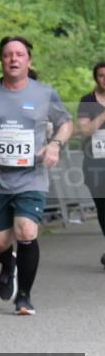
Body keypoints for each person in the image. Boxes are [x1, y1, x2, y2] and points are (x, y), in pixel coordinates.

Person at [0, 37, 73, 315]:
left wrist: (55, 145)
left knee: (26, 230)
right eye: (8, 54)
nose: (14, 59)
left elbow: (66, 123)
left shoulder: (44, 93)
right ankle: (9, 263)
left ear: (28, 61)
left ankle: (24, 296)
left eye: (19, 54)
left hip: (31, 176)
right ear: (1, 60)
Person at [77, 61, 105, 268]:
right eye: (101, 75)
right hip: (95, 163)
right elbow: (85, 131)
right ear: (96, 78)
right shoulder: (87, 101)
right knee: (103, 209)